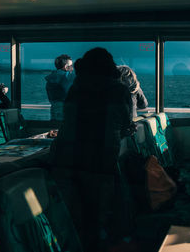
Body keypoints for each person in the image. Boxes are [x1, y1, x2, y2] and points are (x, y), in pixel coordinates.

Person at [49, 48, 135, 251]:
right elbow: (124, 124)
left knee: (72, 217)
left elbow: (68, 119)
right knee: (98, 215)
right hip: (100, 160)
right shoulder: (118, 90)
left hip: (67, 158)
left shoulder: (77, 87)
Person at [45, 54, 75, 121]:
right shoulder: (66, 77)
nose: (72, 68)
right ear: (66, 67)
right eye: (71, 66)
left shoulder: (51, 78)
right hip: (64, 108)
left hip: (54, 107)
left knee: (55, 127)